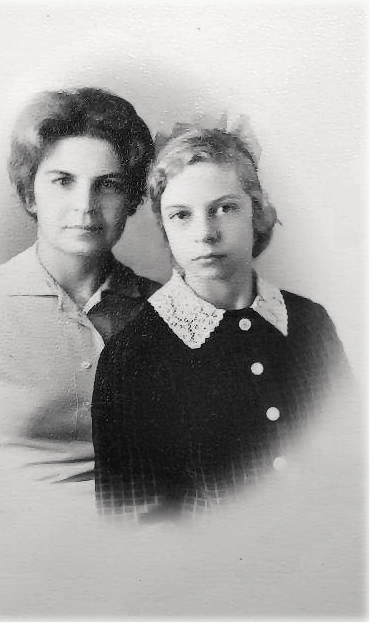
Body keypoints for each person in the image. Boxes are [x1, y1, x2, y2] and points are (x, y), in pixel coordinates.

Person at [91, 123, 352, 521]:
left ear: (256, 213)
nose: (205, 233)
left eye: (225, 208)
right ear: (165, 229)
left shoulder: (310, 322)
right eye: (182, 215)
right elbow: (132, 522)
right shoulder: (131, 357)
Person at [0, 87, 159, 489]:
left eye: (108, 184)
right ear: (30, 194)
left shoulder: (167, 309)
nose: (85, 205)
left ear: (131, 198)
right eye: (63, 181)